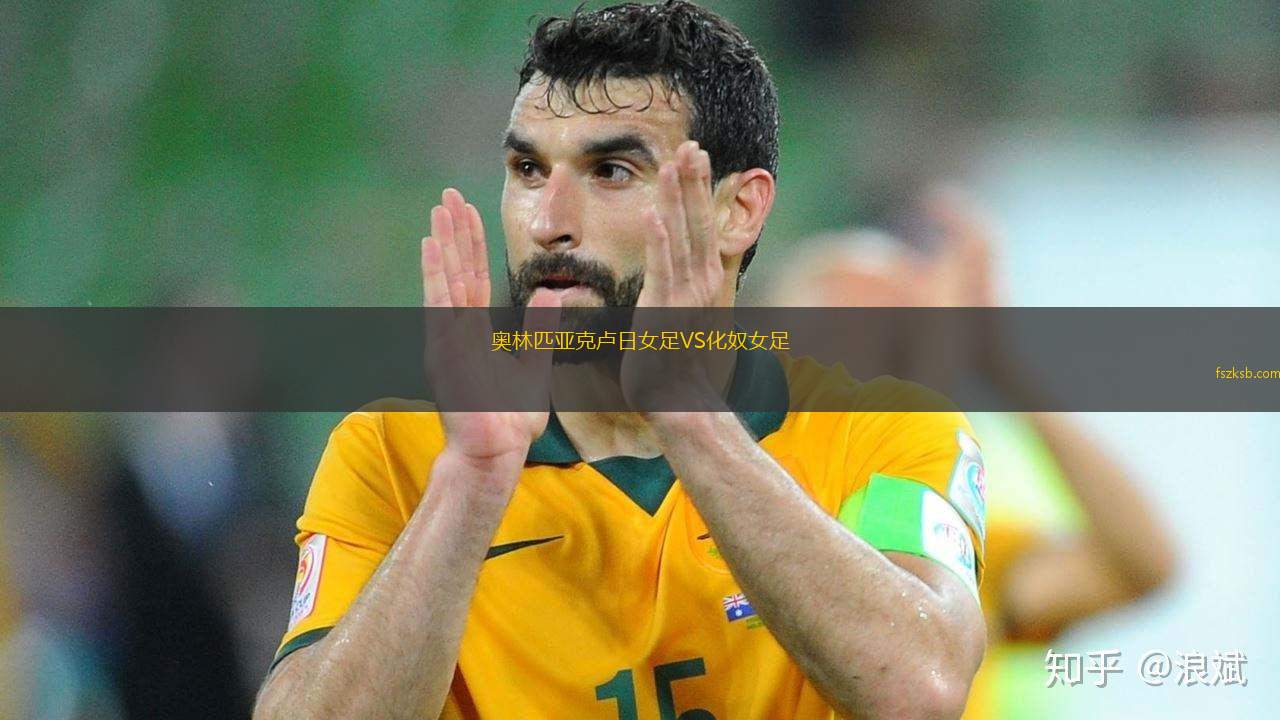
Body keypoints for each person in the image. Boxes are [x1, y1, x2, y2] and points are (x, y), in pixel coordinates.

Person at [253, 3, 988, 719]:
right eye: (528, 169)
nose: (548, 222)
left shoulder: (881, 431)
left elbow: (918, 691)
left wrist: (690, 419)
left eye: (610, 171)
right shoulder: (393, 455)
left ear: (738, 211)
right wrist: (469, 485)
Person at [771, 190, 1176, 719]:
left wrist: (997, 360)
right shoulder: (705, 520)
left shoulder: (952, 550)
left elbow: (1137, 566)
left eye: (892, 335)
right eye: (839, 322)